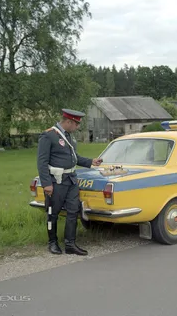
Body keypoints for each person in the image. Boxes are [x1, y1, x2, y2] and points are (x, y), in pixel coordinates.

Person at [37, 108, 103, 255]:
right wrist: (47, 184)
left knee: (73, 211)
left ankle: (70, 244)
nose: (77, 127)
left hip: (71, 180)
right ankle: (52, 242)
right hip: (56, 181)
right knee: (52, 213)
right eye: (76, 124)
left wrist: (91, 162)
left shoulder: (69, 137)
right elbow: (42, 162)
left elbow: (75, 158)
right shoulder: (49, 135)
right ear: (68, 121)